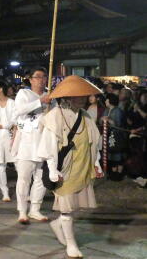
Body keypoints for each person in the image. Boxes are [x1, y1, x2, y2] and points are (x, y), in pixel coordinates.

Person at [38, 76, 104, 258]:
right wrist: (52, 169)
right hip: (64, 167)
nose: (82, 98)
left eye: (84, 95)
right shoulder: (54, 116)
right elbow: (49, 145)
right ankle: (71, 243)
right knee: (66, 208)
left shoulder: (86, 115)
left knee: (74, 206)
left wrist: (96, 163)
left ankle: (57, 224)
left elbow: (94, 142)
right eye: (78, 95)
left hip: (82, 165)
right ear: (67, 97)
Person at [12, 66, 51, 224]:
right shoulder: (24, 93)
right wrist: (40, 101)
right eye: (38, 76)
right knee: (24, 178)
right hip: (27, 141)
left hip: (44, 140)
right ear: (31, 79)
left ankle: (35, 208)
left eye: (44, 77)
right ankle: (22, 210)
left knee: (41, 178)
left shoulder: (50, 96)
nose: (41, 80)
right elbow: (19, 111)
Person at [103, 93, 128, 179]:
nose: (105, 101)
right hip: (110, 136)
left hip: (117, 136)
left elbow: (117, 124)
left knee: (118, 155)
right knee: (111, 155)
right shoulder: (107, 110)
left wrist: (108, 120)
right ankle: (113, 173)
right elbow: (101, 119)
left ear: (110, 101)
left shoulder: (117, 111)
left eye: (107, 99)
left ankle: (119, 174)